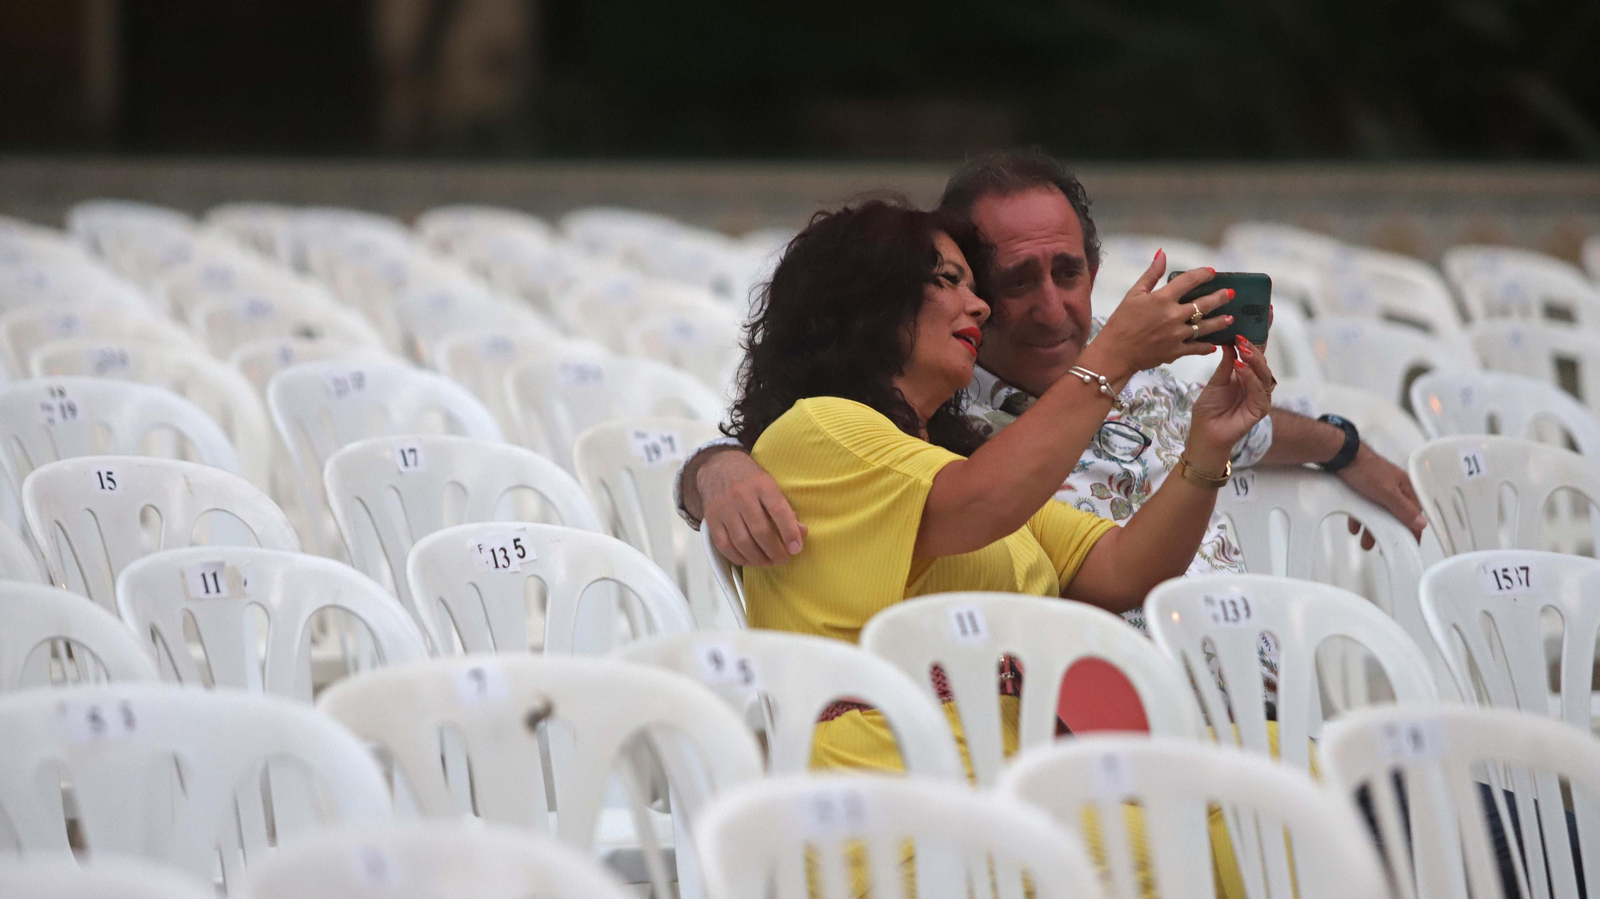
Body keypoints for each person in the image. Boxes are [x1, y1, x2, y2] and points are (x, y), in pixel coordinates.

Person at [679, 148, 1424, 658]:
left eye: (1068, 273)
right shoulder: (951, 430)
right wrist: (714, 467)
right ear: (876, 307)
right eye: (1004, 281)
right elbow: (952, 491)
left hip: (1241, 689)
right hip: (1088, 721)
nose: (1049, 307)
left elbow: (1127, 559)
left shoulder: (1093, 392)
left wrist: (1335, 444)